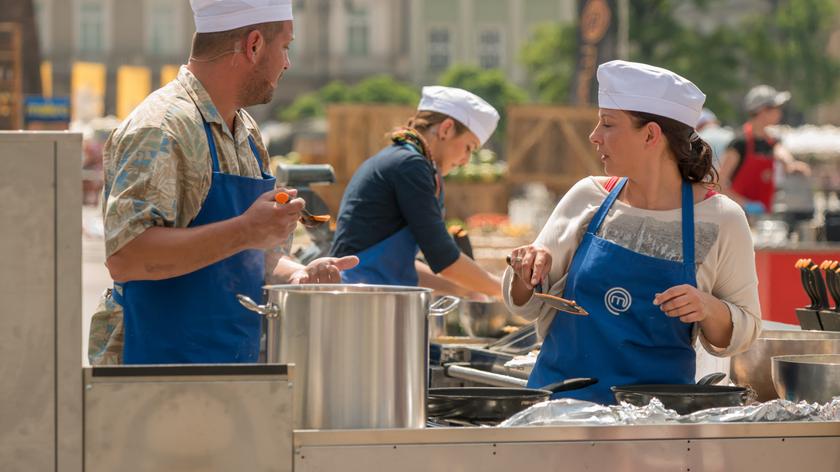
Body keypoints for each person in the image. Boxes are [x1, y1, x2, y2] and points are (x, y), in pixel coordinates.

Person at [89, 0, 358, 365]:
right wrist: (245, 229)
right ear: (254, 45)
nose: (287, 63)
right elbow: (127, 257)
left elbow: (252, 252)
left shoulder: (245, 131)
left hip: (226, 365)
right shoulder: (162, 127)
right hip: (152, 370)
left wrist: (295, 275)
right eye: (285, 46)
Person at [502, 60, 761, 405]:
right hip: (559, 411)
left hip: (653, 423)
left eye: (608, 124)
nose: (594, 136)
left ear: (651, 135)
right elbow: (526, 304)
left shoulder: (722, 219)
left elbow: (745, 330)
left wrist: (708, 308)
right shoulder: (587, 196)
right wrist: (526, 273)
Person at [329, 86, 501, 298]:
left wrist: (469, 291)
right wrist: (505, 292)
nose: (466, 161)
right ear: (446, 129)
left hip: (368, 294)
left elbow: (399, 267)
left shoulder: (404, 161)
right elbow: (444, 259)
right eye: (469, 147)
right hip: (360, 299)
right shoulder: (410, 166)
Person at [719, 85, 810, 214]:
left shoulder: (772, 142)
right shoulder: (739, 143)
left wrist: (791, 164)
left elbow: (781, 153)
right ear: (762, 110)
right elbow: (719, 184)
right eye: (777, 108)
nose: (780, 112)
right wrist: (745, 204)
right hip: (739, 216)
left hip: (764, 216)